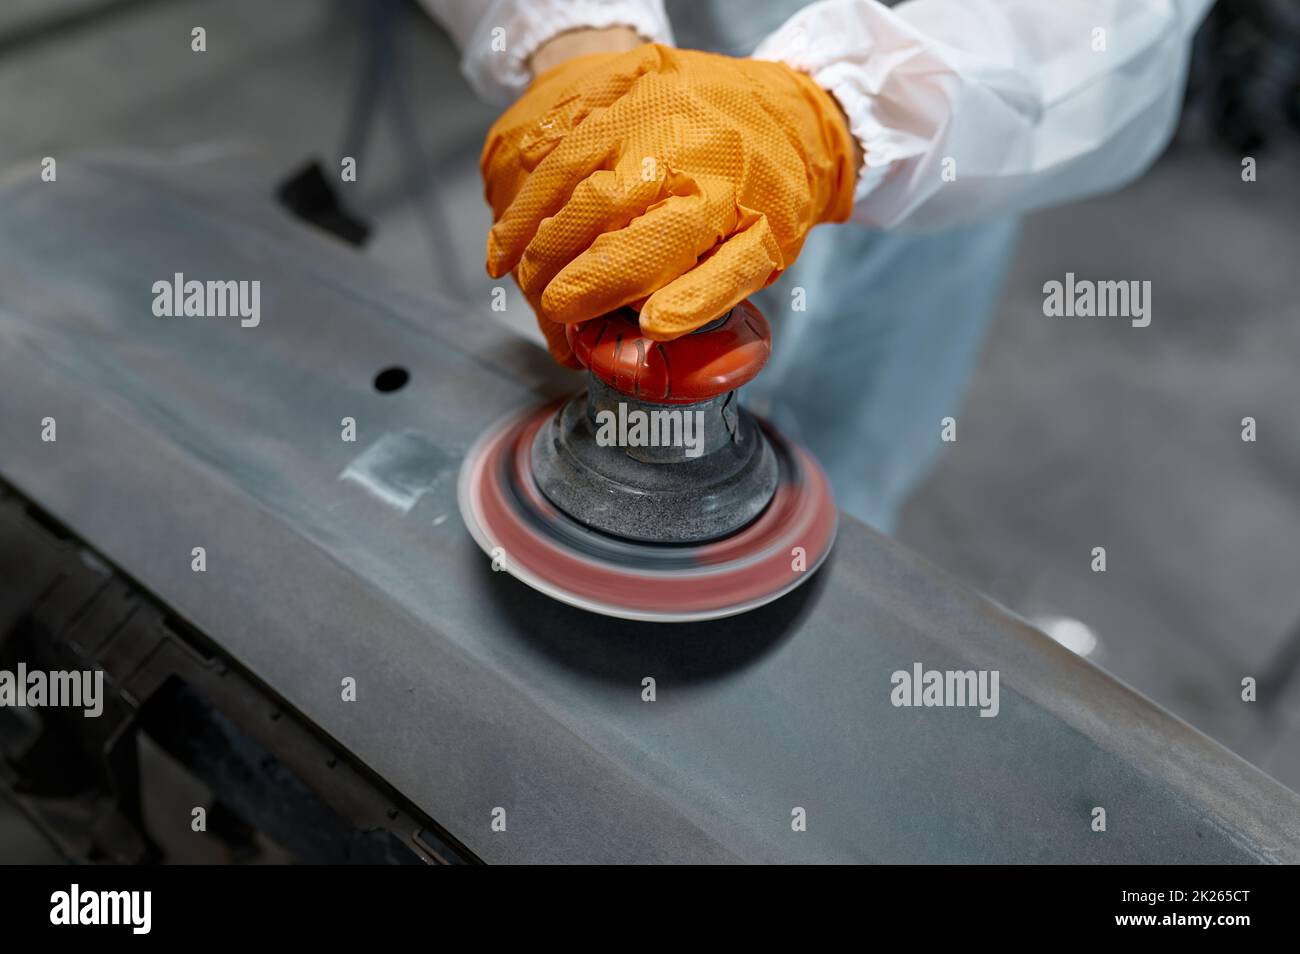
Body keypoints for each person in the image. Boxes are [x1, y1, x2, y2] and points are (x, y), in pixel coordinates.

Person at [422, 0, 1214, 531]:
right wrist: (577, 47)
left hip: (959, 134)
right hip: (673, 34)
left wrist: (828, 123)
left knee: (838, 510)